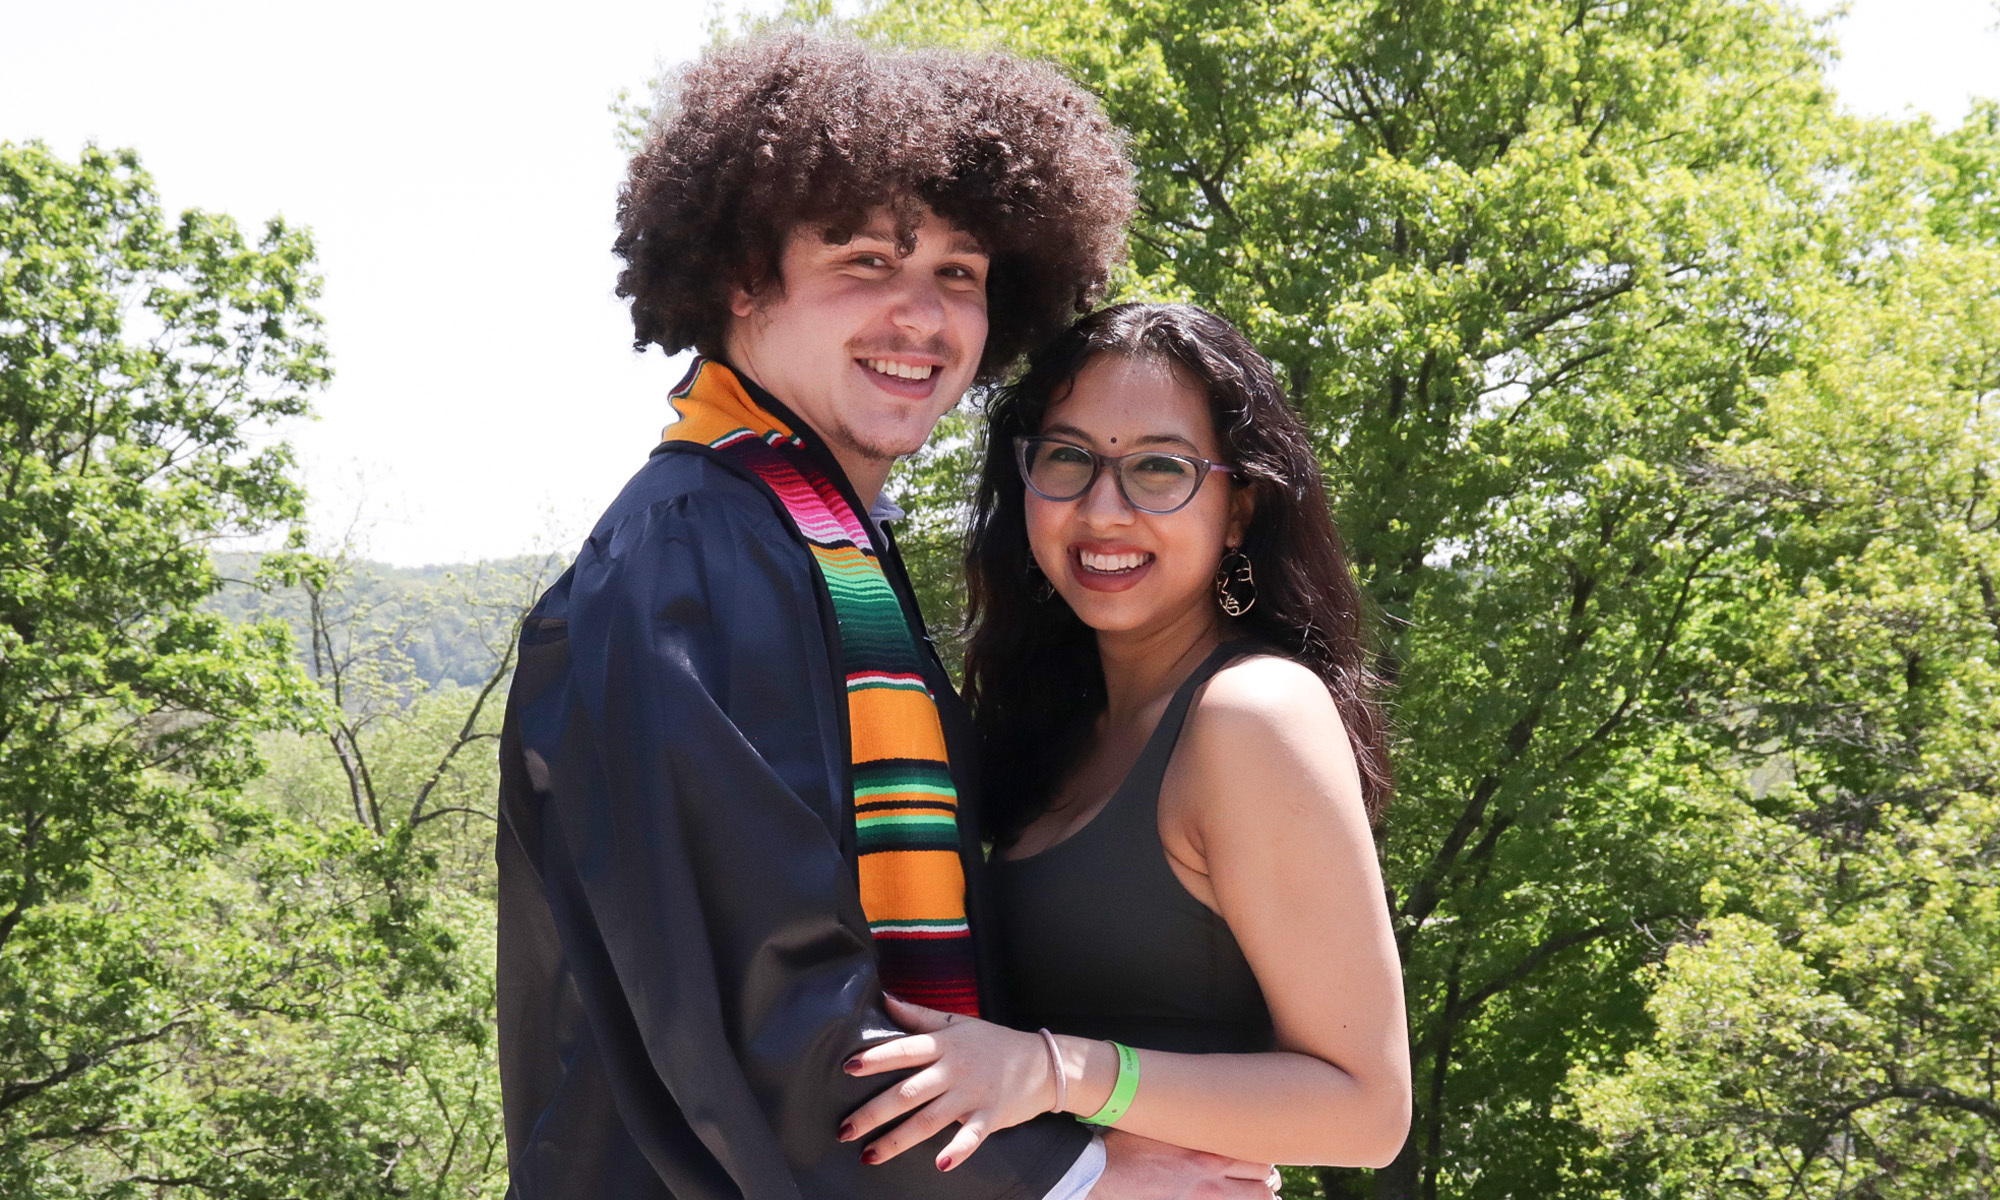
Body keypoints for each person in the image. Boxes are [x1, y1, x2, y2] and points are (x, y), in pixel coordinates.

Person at [495, 35, 1280, 1200]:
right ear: (738, 283)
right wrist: (1074, 1178)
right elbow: (757, 999)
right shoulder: (697, 552)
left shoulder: (806, 537)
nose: (922, 317)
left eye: (959, 274)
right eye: (866, 261)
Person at [837, 304, 1413, 1174]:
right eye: (1068, 458)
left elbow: (1366, 1115)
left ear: (1238, 509)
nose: (1104, 511)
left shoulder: (1252, 715)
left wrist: (1055, 1070)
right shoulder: (1058, 727)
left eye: (1158, 469)